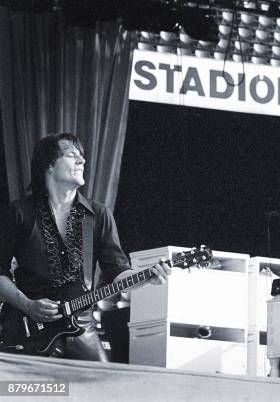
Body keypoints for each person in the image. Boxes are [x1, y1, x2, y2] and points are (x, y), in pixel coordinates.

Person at [0, 133, 171, 361]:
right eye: (72, 155)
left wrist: (146, 277)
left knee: (103, 392)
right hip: (28, 329)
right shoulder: (19, 213)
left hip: (82, 328)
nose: (82, 161)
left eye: (82, 156)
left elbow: (118, 271)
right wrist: (28, 304)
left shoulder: (98, 215)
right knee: (30, 393)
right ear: (49, 166)